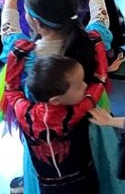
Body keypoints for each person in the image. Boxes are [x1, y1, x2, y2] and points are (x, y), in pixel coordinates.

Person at [3, 0, 125, 194]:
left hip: (45, 136)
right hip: (92, 126)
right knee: (100, 170)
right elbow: (101, 16)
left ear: (35, 22)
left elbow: (8, 30)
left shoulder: (25, 54)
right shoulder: (91, 40)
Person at [3, 34, 107, 193]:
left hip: (47, 185)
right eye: (79, 86)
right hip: (82, 180)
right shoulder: (75, 113)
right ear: (56, 100)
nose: (85, 86)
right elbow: (100, 79)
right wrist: (98, 44)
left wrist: (16, 54)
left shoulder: (24, 113)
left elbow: (11, 89)